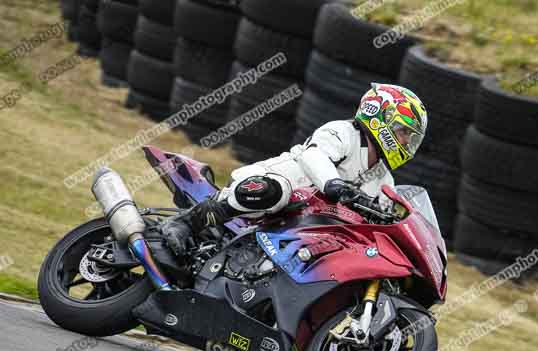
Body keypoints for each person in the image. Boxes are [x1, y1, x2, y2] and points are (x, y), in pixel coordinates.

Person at [161, 83, 428, 256]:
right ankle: (186, 222)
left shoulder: (384, 179)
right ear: (381, 116)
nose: (405, 141)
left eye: (410, 136)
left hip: (312, 226)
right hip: (280, 189)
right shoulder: (343, 132)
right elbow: (315, 157)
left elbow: (387, 216)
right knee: (272, 190)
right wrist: (334, 185)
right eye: (403, 131)